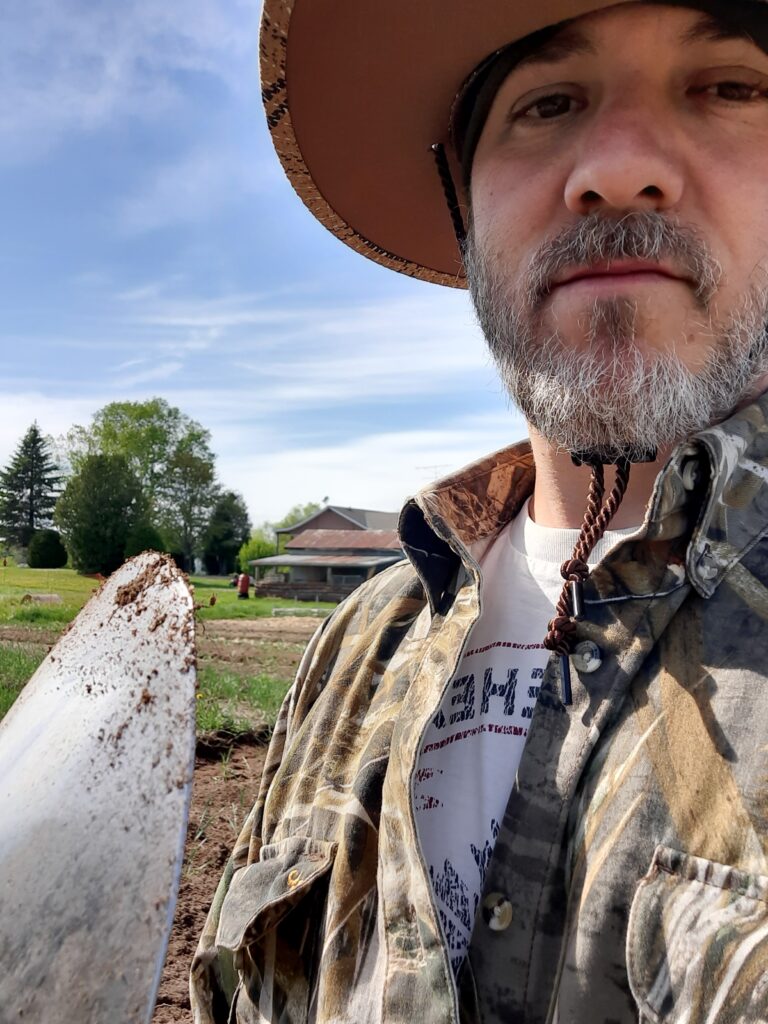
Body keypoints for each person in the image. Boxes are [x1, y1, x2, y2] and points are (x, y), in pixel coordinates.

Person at [191, 2, 768, 1021]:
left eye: (729, 88)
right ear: (466, 207)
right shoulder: (358, 643)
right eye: (547, 103)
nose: (620, 165)